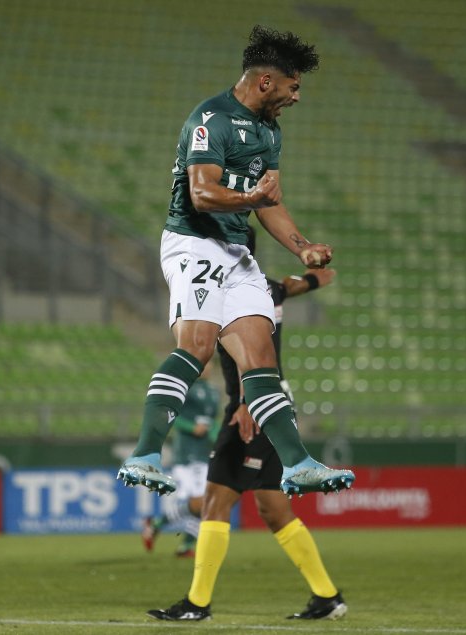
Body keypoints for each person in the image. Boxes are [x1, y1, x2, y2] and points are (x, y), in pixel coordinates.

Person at [117, 25, 354, 498]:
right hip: (194, 242)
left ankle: (296, 464)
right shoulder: (212, 119)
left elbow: (268, 202)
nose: (296, 97)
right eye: (293, 87)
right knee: (199, 345)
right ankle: (145, 453)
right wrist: (249, 196)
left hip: (236, 250)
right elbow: (202, 194)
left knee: (261, 357)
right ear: (266, 82)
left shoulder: (269, 131)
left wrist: (301, 246)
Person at [148, 226, 345, 621]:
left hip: (250, 407)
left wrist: (242, 403)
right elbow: (323, 276)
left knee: (217, 504)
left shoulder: (223, 292)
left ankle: (197, 604)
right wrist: (312, 272)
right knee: (273, 509)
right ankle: (327, 596)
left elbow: (245, 354)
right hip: (275, 403)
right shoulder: (271, 288)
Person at [142, 362, 221, 557]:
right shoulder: (185, 388)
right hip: (186, 453)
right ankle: (161, 527)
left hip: (205, 452)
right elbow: (170, 414)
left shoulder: (214, 392)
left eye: (209, 363)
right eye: (203, 363)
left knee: (206, 503)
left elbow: (212, 424)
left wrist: (220, 440)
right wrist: (191, 427)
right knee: (199, 503)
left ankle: (183, 544)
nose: (206, 367)